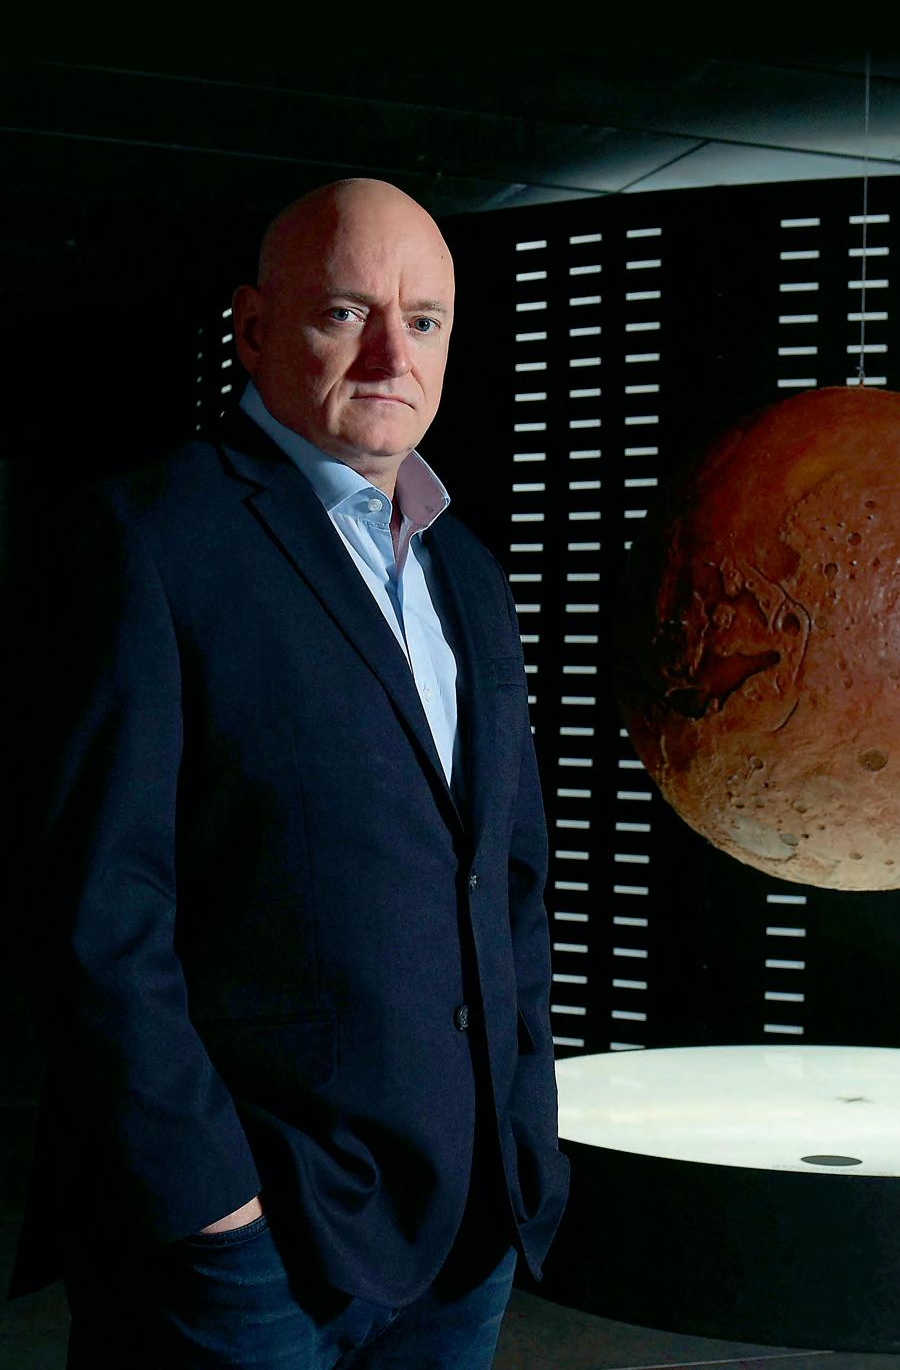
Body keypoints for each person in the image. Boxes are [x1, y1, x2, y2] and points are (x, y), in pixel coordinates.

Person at [3, 178, 569, 1367]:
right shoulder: (146, 539)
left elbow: (505, 884)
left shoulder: (470, 574)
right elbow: (95, 914)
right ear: (254, 329)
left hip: (465, 1232)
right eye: (344, 313)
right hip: (248, 1252)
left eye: (423, 320)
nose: (390, 355)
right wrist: (213, 1210)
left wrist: (524, 1138)